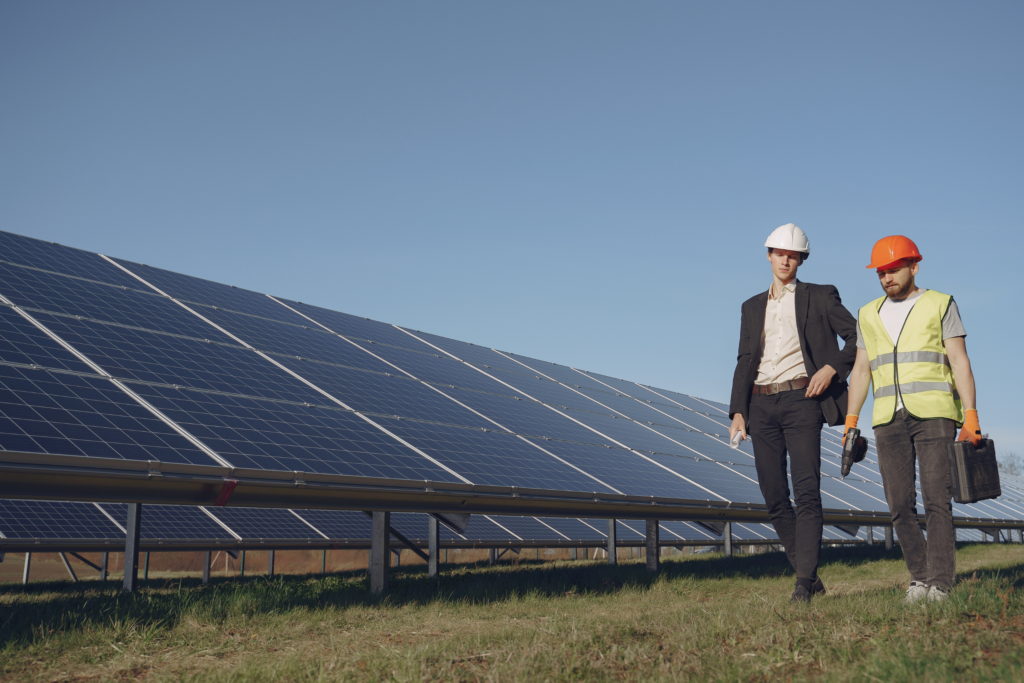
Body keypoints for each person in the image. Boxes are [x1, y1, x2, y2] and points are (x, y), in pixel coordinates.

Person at [729, 224, 859, 603]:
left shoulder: (820, 296)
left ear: (801, 259)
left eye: (793, 255)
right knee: (773, 494)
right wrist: (738, 410)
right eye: (779, 253)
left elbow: (857, 336)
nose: (785, 260)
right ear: (768, 255)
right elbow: (743, 359)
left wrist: (831, 368)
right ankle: (809, 575)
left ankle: (803, 583)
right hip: (760, 404)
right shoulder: (751, 306)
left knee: (806, 491)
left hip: (804, 399)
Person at [844, 235, 978, 604]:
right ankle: (919, 579)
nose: (886, 277)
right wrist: (851, 420)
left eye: (893, 270)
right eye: (881, 272)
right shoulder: (867, 314)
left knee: (938, 500)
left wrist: (971, 415)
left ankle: (941, 583)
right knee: (899, 504)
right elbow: (860, 371)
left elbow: (959, 360)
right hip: (887, 419)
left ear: (914, 267)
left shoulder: (940, 304)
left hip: (935, 414)